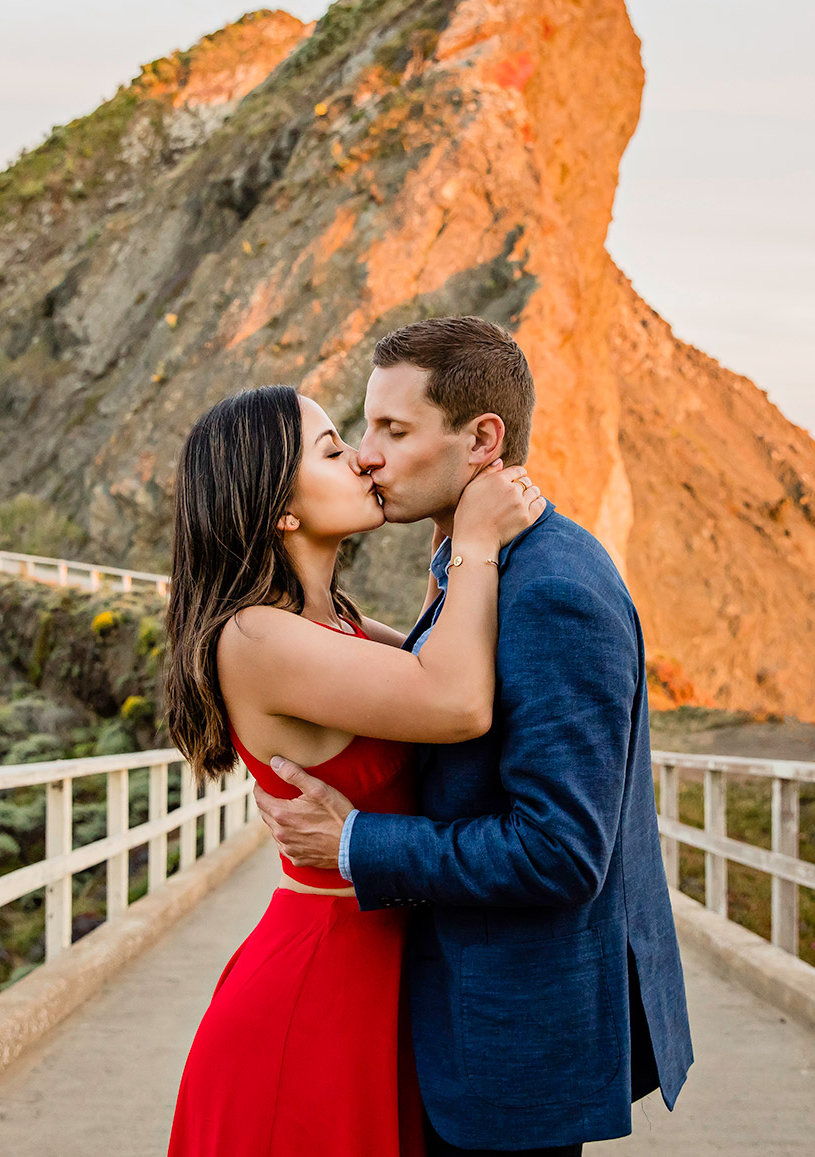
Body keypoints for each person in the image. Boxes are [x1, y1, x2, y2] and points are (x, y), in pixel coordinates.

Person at [255, 316, 694, 1156]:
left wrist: (355, 843)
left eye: (395, 429)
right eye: (363, 428)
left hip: (510, 1052)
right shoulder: (483, 570)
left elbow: (562, 851)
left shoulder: (553, 588)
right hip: (456, 1025)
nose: (368, 455)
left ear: (482, 439)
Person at [164, 382, 546, 1157]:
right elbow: (457, 703)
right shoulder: (256, 638)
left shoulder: (334, 621)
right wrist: (472, 541)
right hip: (317, 987)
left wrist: (448, 552)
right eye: (334, 450)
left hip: (381, 971)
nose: (365, 461)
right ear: (282, 508)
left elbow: (432, 661)